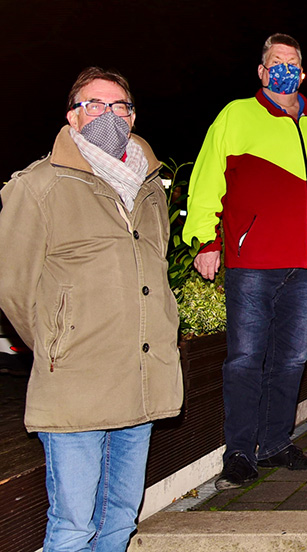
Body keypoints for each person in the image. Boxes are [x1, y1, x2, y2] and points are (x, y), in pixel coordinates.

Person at [0, 68, 183, 552]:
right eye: (94, 105)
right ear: (72, 116)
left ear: (132, 116)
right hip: (77, 382)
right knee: (74, 526)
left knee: (121, 517)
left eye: (118, 106)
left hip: (140, 379)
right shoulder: (39, 185)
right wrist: (59, 343)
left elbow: (155, 271)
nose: (108, 115)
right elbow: (12, 286)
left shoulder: (148, 186)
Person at [183, 33, 307, 490]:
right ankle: (240, 453)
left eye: (293, 62)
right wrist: (206, 239)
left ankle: (277, 442)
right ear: (261, 72)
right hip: (253, 261)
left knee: (295, 355)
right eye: (276, 62)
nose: (285, 68)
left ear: (303, 72)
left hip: (306, 265)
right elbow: (207, 180)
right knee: (245, 357)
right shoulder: (237, 115)